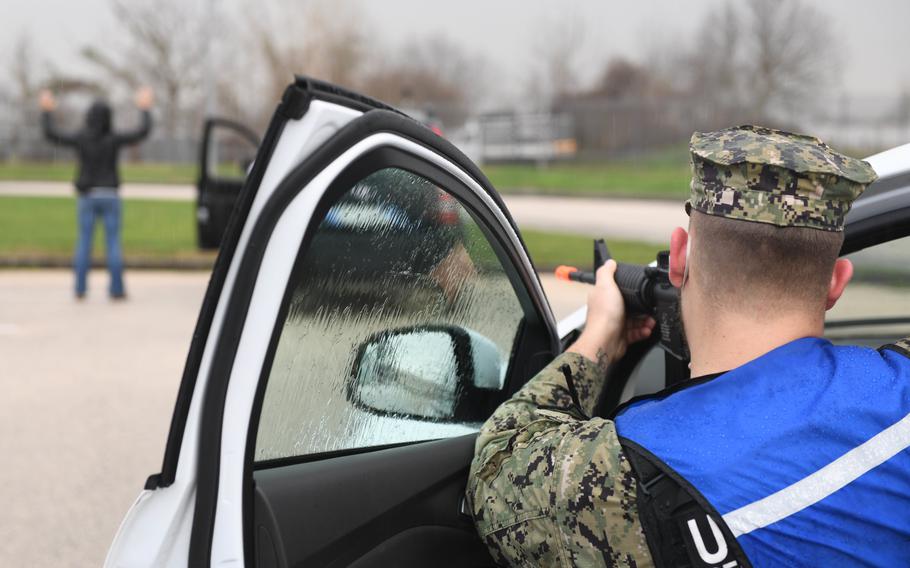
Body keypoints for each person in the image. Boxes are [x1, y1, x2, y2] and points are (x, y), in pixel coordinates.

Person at [467, 125, 910, 566]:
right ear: (836, 283)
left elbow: (497, 462)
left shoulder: (631, 470)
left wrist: (598, 340)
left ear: (678, 258)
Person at [40, 87, 154, 299]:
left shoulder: (82, 138)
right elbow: (142, 131)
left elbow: (52, 134)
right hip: (110, 195)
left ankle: (80, 288)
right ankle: (117, 289)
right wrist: (145, 108)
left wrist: (47, 110)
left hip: (88, 196)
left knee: (84, 242)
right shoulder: (113, 138)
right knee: (113, 243)